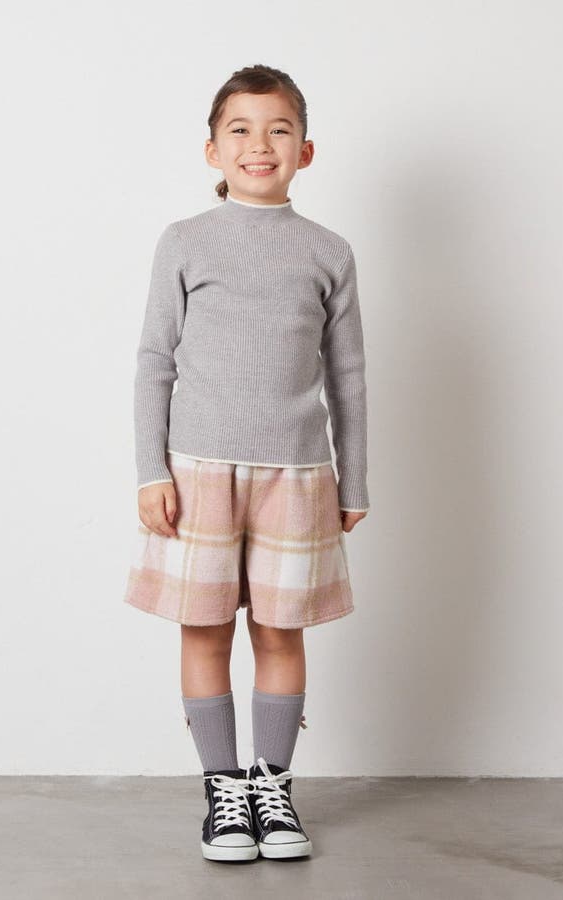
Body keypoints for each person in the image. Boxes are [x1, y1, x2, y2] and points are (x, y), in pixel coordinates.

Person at [124, 63, 370, 862]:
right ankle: (224, 793)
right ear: (212, 150)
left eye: (278, 130)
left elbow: (348, 374)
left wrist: (355, 478)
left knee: (279, 630)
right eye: (240, 129)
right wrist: (151, 470)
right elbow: (154, 361)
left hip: (297, 478)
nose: (259, 144)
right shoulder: (184, 241)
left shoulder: (329, 252)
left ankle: (273, 786)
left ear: (306, 150)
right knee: (203, 630)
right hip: (197, 473)